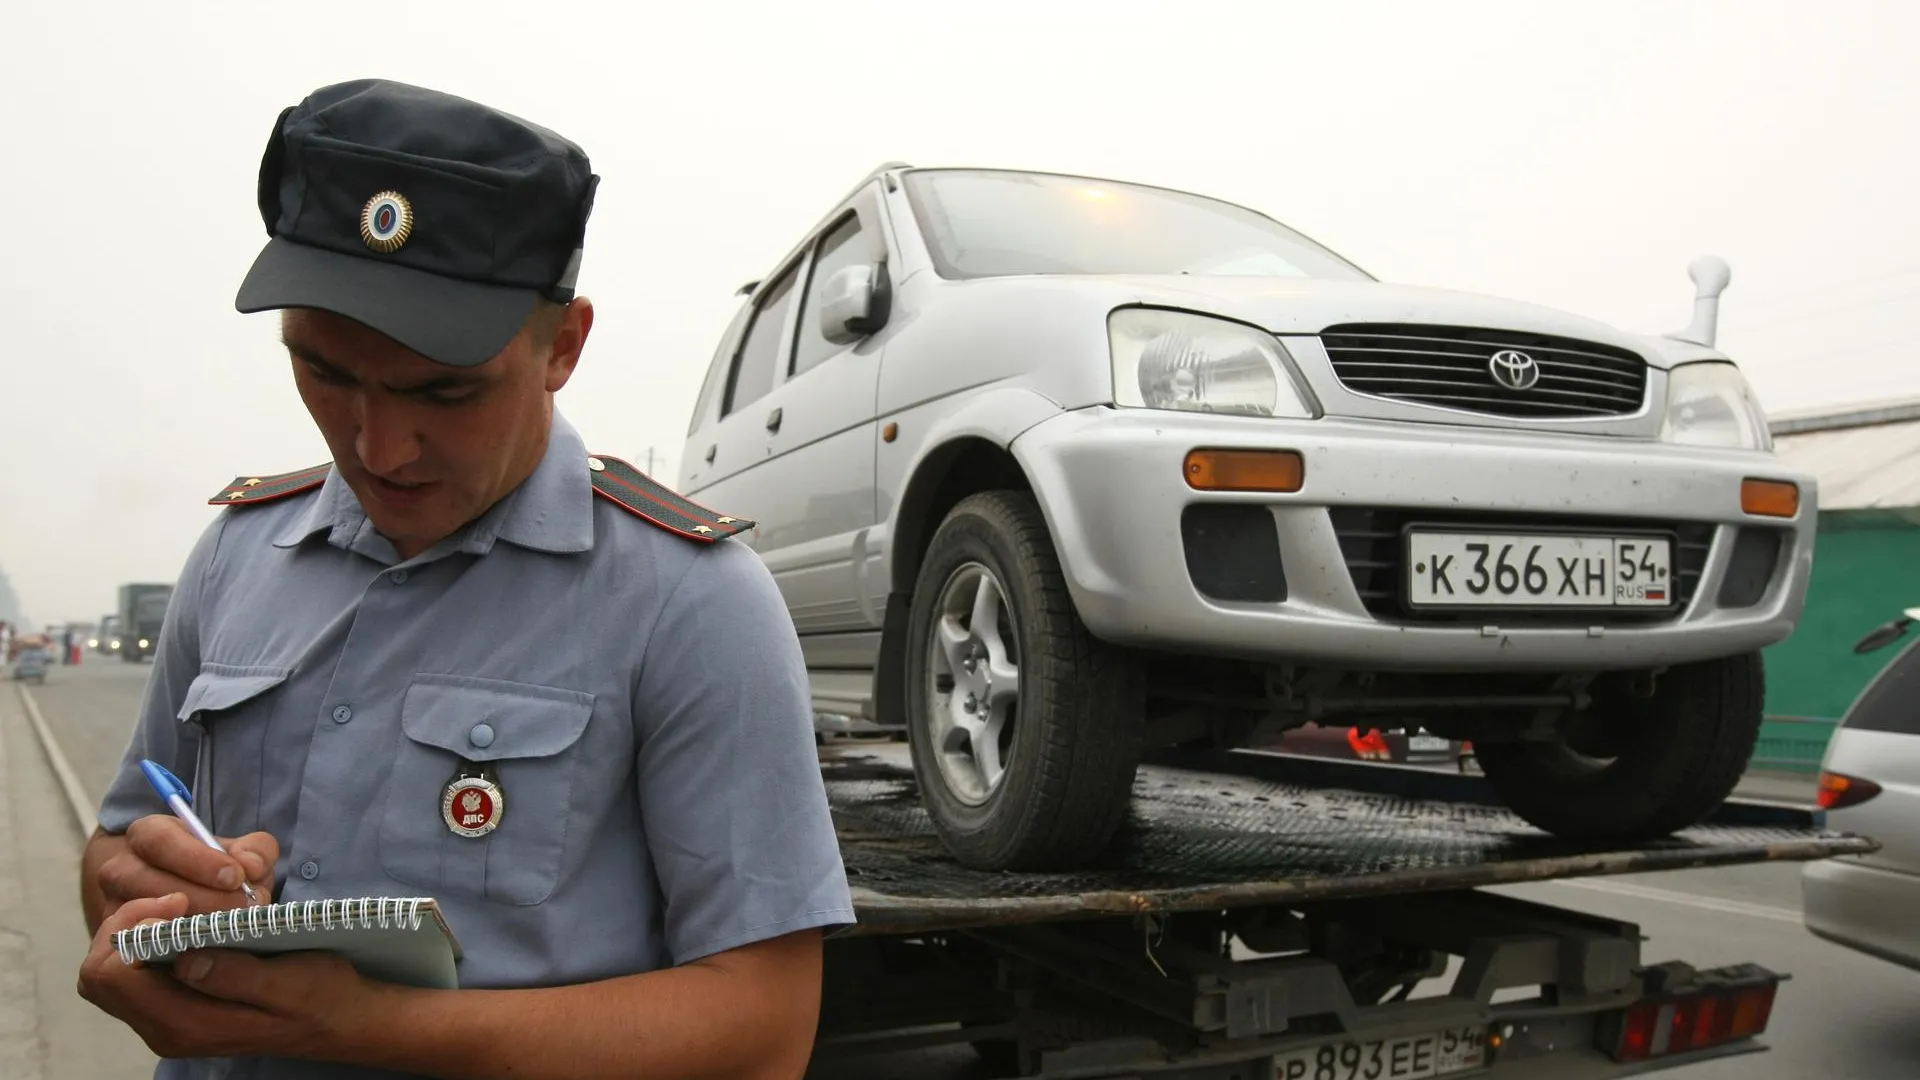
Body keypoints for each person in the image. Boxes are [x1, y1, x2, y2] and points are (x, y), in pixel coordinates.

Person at [76, 78, 854, 1080]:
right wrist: (134, 897)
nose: (379, 444)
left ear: (560, 347)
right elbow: (115, 852)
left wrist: (363, 1026)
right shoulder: (235, 556)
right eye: (326, 372)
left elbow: (764, 1030)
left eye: (444, 391)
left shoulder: (689, 601)